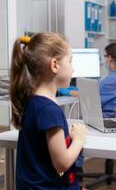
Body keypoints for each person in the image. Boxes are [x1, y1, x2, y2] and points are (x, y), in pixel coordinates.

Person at [9, 33, 88, 189]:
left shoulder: (32, 102)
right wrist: (79, 138)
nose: (73, 68)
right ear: (54, 65)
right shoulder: (49, 110)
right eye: (70, 61)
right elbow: (62, 163)